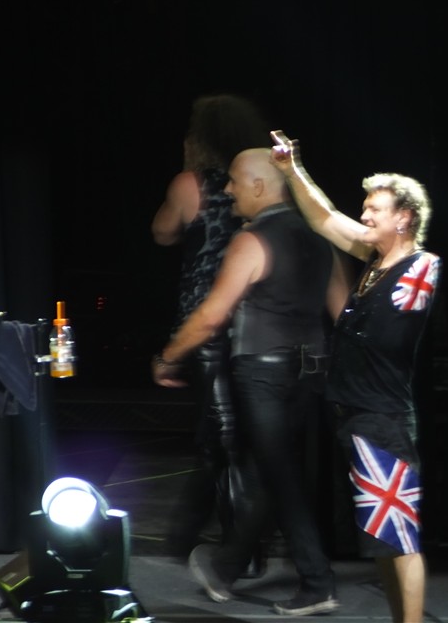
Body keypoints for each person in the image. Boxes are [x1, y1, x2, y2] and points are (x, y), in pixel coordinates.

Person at [153, 148, 350, 616]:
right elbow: (343, 310)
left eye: (236, 181)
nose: (228, 190)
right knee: (270, 470)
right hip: (310, 369)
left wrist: (168, 357)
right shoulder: (319, 237)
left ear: (260, 186)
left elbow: (211, 316)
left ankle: (316, 582)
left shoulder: (252, 239)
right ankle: (228, 568)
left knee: (277, 473)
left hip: (263, 373)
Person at [270, 129, 441, 623]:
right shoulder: (374, 262)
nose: (364, 216)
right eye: (365, 208)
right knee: (383, 538)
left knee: (399, 534)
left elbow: (406, 305)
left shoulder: (420, 266)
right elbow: (324, 217)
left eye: (374, 210)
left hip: (382, 418)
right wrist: (292, 170)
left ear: (404, 217)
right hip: (356, 416)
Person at [150, 94, 269, 566]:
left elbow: (162, 232)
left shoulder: (191, 184)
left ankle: (231, 546)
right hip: (256, 323)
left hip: (206, 323)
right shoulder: (261, 186)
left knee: (219, 437)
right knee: (237, 436)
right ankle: (225, 541)